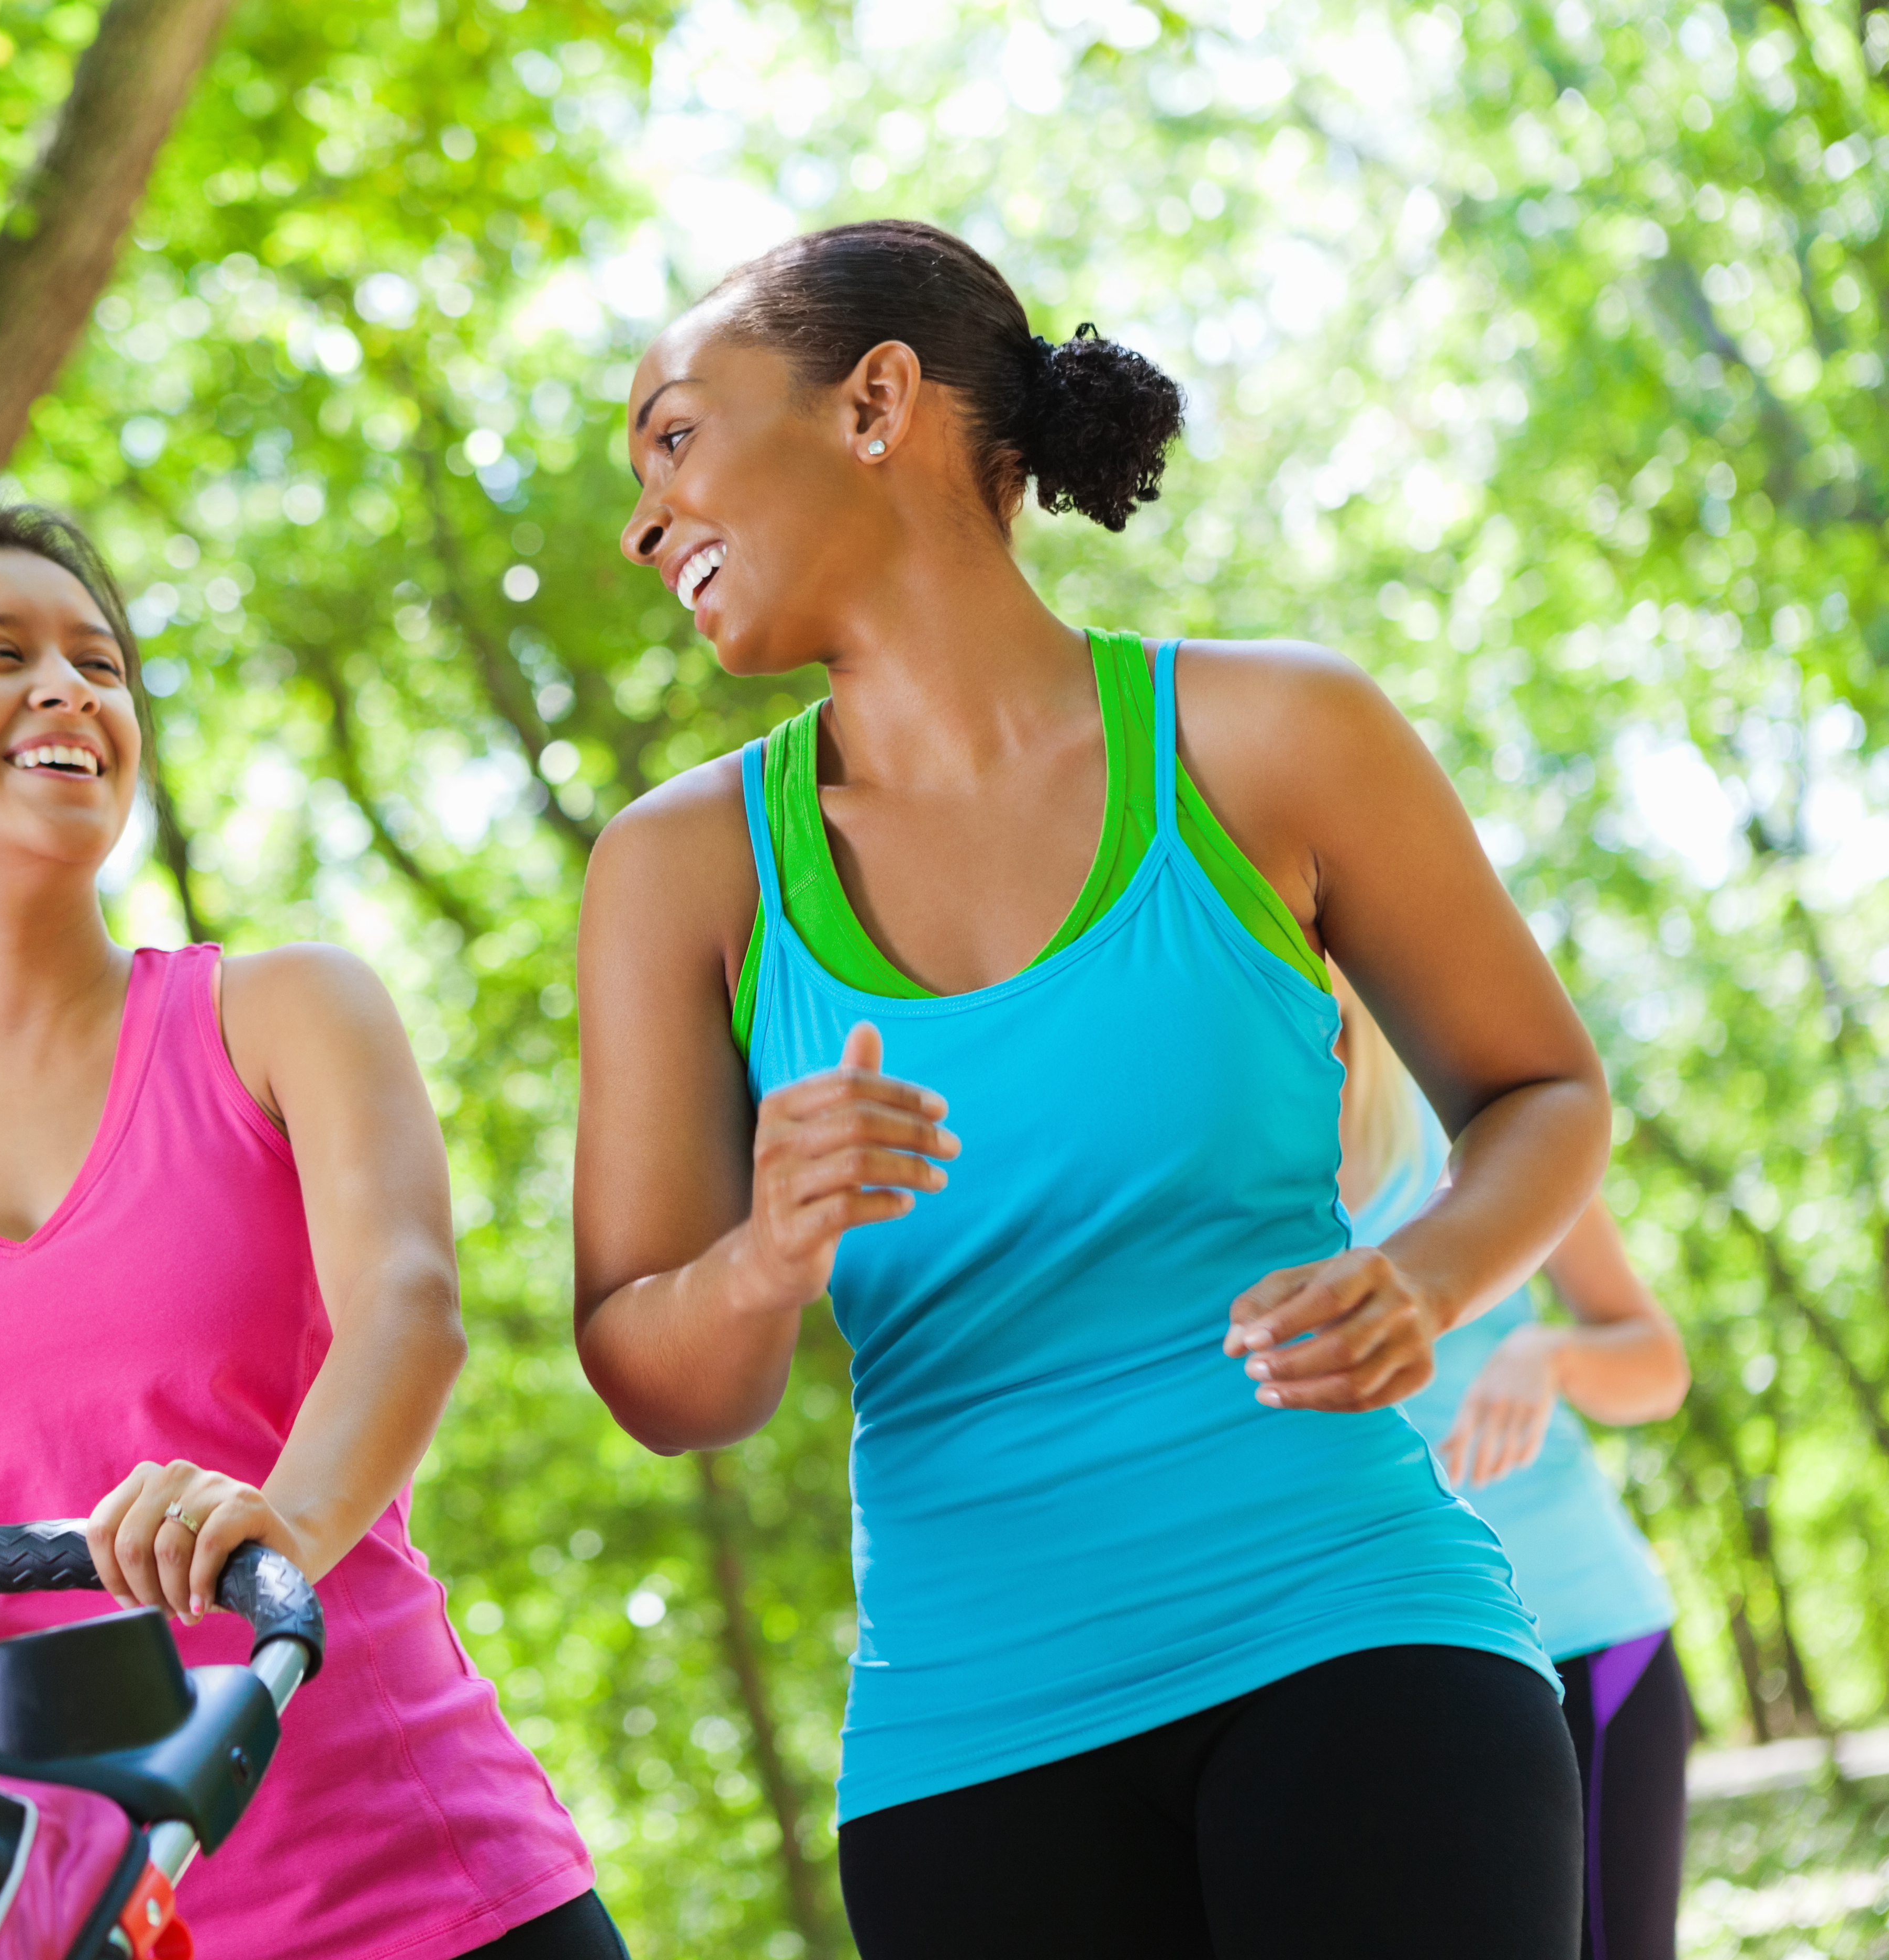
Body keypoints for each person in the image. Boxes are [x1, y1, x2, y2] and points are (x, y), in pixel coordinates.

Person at [571, 218, 1606, 1957]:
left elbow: (1540, 1091)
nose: (641, 515)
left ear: (873, 402)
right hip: (968, 1744)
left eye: (672, 433)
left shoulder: (1269, 735)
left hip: (1353, 1637)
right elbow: (655, 1377)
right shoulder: (678, 872)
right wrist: (765, 1251)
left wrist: (1423, 1278)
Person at [0, 495, 620, 1960]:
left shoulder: (284, 1015)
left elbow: (409, 1310)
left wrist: (288, 1519)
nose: (71, 688)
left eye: (101, 661)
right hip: (90, 1922)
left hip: (442, 1895)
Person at [1339, 975, 1693, 1960]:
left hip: (1586, 1632)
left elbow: (1656, 1363)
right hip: (1398, 1666)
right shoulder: (1218, 1174)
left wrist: (1553, 1355)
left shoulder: (1476, 1129)